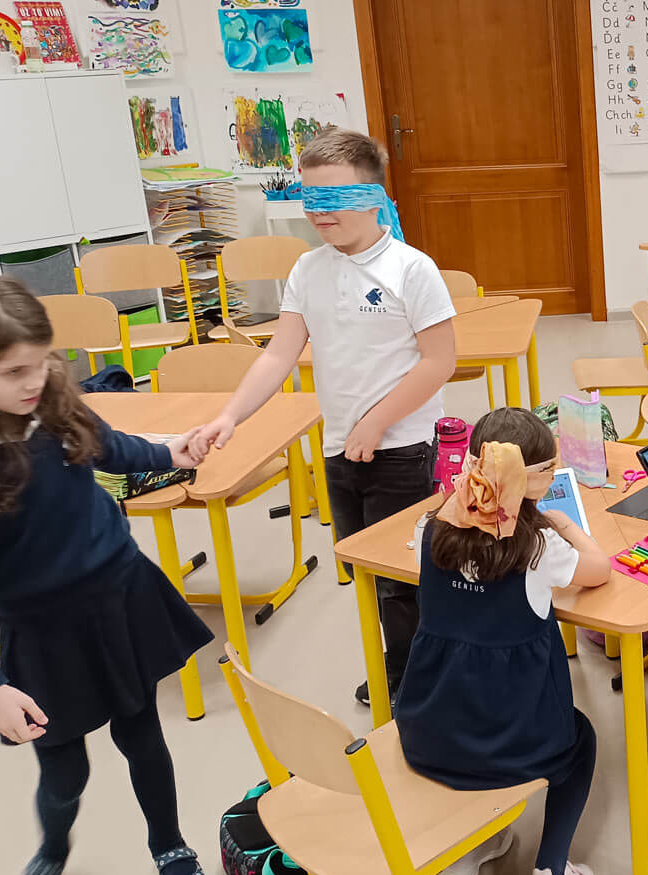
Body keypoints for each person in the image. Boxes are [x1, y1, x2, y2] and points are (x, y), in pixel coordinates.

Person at [0, 277, 214, 875]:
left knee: (143, 735)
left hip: (118, 595)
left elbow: (107, 444)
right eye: (15, 369)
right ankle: (51, 854)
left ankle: (168, 844)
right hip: (41, 631)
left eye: (44, 360)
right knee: (64, 770)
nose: (37, 378)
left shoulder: (50, 398)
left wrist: (169, 451)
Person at [189, 128, 456, 707]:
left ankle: (419, 678)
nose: (317, 213)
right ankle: (400, 663)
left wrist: (377, 422)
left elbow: (439, 363)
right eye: (309, 198)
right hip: (341, 450)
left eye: (332, 198)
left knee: (402, 579)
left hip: (404, 447)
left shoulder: (412, 269)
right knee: (363, 570)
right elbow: (279, 353)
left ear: (373, 197)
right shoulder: (308, 270)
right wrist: (228, 416)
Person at [393, 408, 611, 875]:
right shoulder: (538, 546)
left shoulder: (430, 529)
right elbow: (599, 570)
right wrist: (567, 528)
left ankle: (473, 847)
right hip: (515, 739)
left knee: (470, 712)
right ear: (533, 484)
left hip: (430, 732)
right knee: (581, 743)